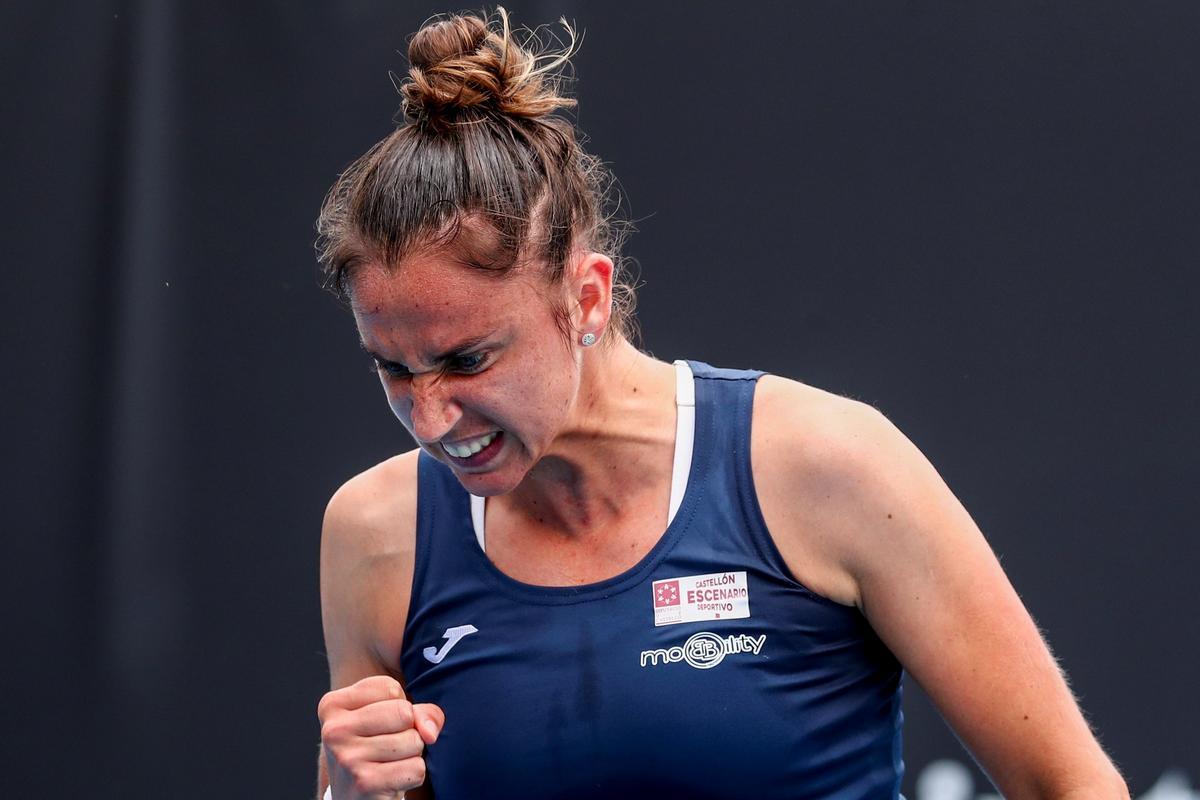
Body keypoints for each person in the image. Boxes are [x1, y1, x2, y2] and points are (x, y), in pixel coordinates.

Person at [312, 9, 1128, 799]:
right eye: (393, 369)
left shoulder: (826, 464)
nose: (430, 420)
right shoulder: (374, 534)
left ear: (587, 299)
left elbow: (1074, 785)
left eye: (468, 359)